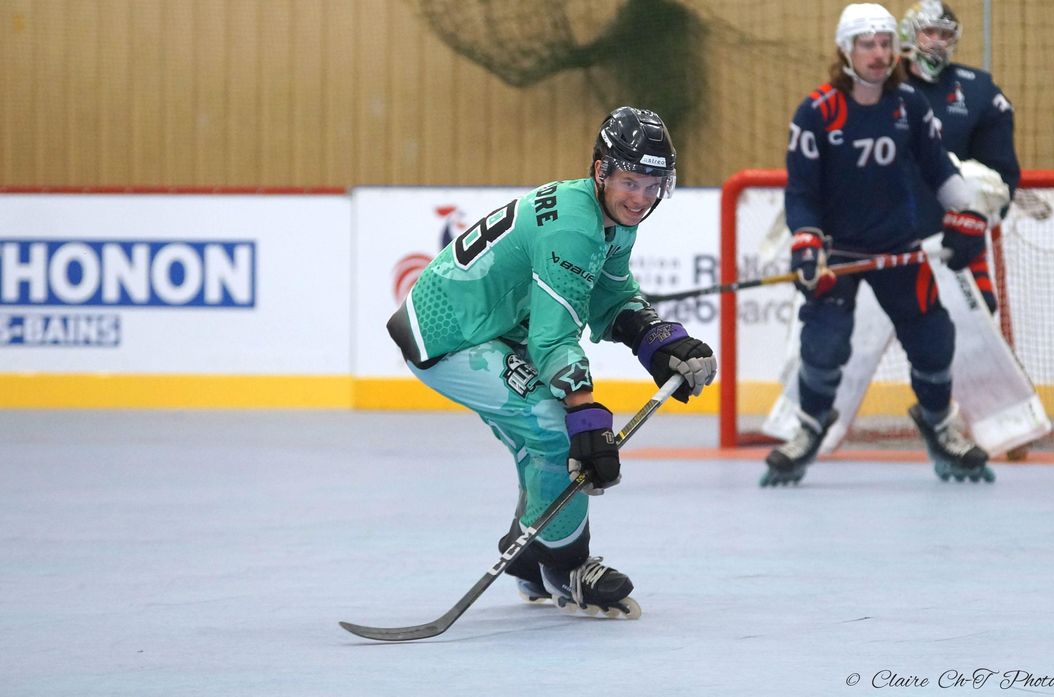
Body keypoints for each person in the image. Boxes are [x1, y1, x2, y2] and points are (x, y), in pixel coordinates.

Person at [386, 106, 717, 618]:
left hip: (485, 329)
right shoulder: (574, 228)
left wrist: (658, 340)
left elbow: (612, 296)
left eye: (653, 185)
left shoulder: (608, 216)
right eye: (630, 182)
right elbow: (553, 337)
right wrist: (584, 413)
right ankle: (567, 567)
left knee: (540, 440)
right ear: (601, 170)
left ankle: (531, 555)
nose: (641, 198)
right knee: (556, 429)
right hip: (452, 337)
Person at [762, 3, 995, 487]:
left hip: (899, 249)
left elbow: (939, 169)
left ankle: (938, 425)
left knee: (934, 339)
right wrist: (806, 242)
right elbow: (801, 191)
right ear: (845, 50)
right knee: (823, 345)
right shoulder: (817, 111)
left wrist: (969, 213)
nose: (879, 53)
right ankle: (809, 427)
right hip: (839, 252)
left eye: (886, 43)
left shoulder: (910, 105)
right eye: (867, 44)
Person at [900, 0, 1021, 312]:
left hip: (954, 243)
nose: (938, 42)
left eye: (945, 34)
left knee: (970, 330)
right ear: (907, 34)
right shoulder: (878, 89)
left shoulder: (978, 91)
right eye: (929, 32)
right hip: (884, 241)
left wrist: (976, 217)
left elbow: (999, 177)